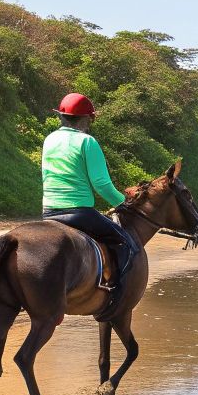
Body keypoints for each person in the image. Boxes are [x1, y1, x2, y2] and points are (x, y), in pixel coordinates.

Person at [41, 93, 139, 288]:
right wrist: (124, 204)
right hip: (79, 213)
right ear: (87, 118)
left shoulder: (49, 139)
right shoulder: (87, 142)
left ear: (61, 116)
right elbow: (101, 184)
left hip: (49, 212)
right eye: (90, 118)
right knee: (128, 244)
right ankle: (113, 289)